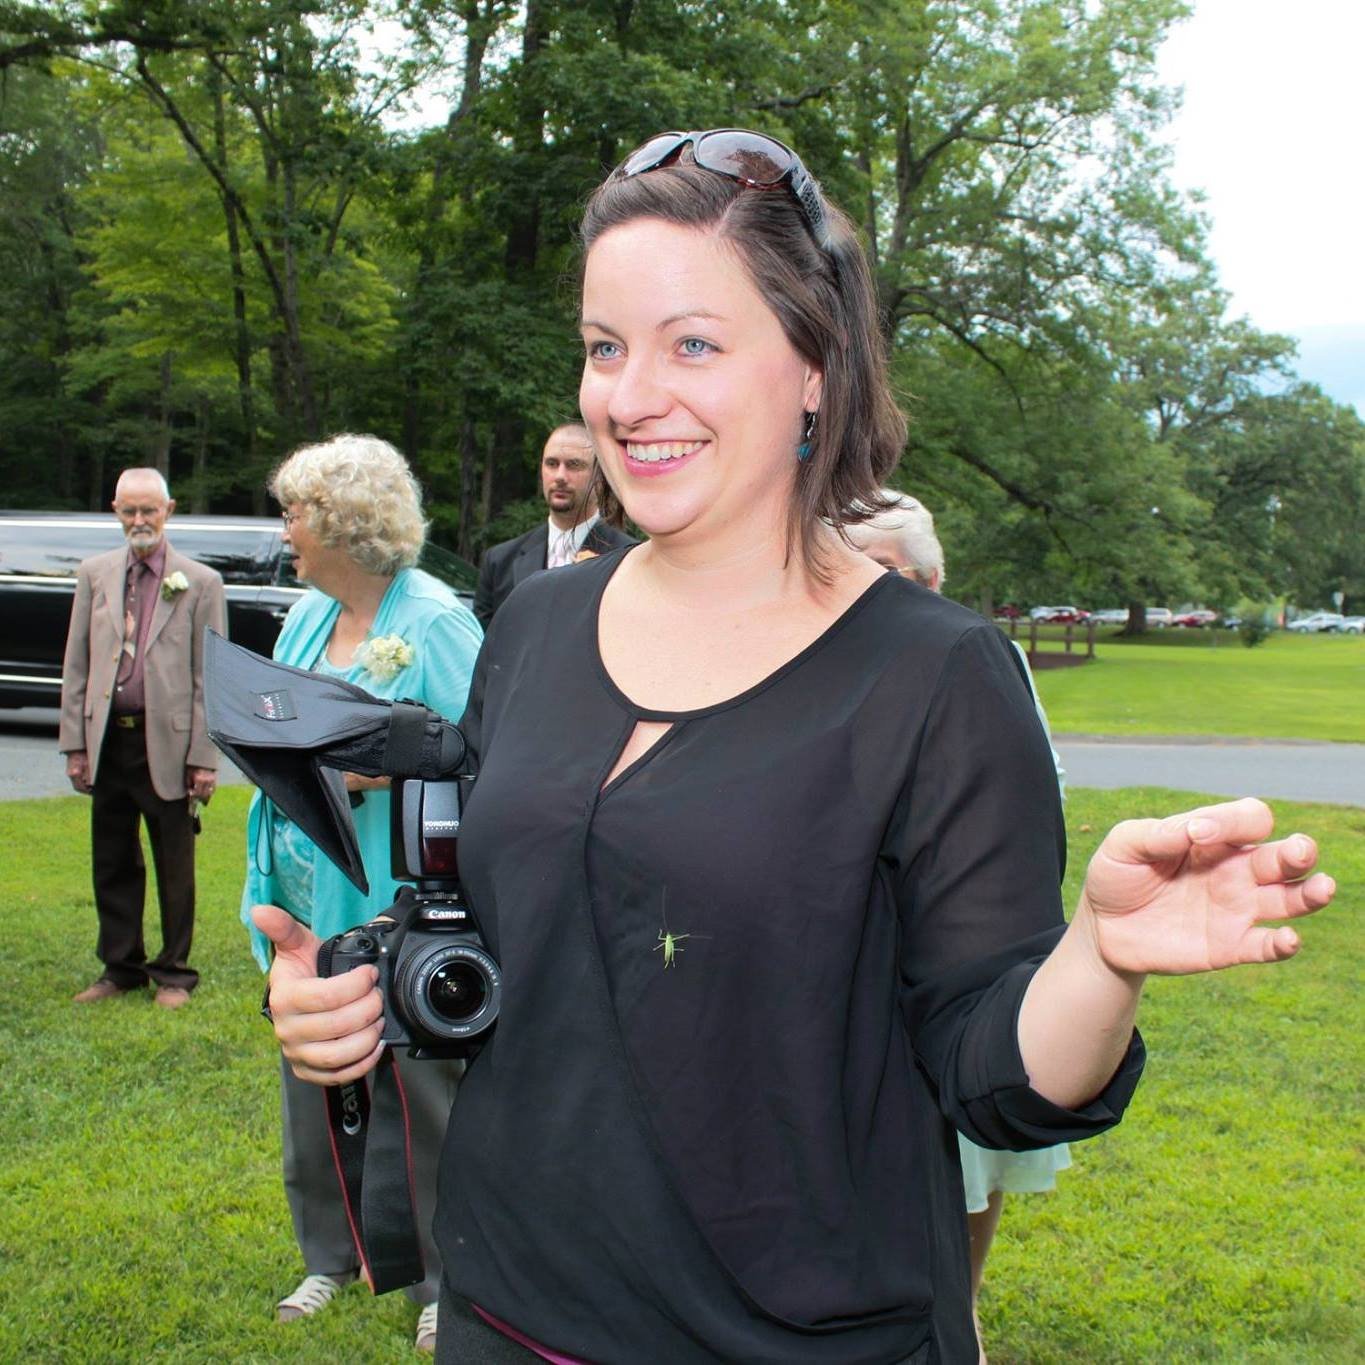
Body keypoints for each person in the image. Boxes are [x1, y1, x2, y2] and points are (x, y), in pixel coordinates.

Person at [253, 131, 1335, 1364]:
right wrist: (359, 988)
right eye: (606, 347)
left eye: (693, 344)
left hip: (804, 1334)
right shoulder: (537, 626)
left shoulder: (934, 677)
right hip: (509, 1310)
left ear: (815, 366)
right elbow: (510, 931)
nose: (629, 395)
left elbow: (994, 1072)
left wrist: (1101, 958)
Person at [237, 434, 483, 1353]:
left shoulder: (433, 619)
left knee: (420, 1088)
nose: (285, 531)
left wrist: (380, 769)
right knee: (312, 1070)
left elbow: (487, 747)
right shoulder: (307, 613)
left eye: (294, 512)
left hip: (397, 894)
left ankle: (439, 1273)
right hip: (303, 881)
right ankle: (328, 1255)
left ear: (342, 520)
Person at [847, 492, 1072, 1360]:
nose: (867, 587)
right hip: (850, 950)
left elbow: (1030, 790)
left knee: (972, 1148)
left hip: (948, 936)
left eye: (886, 570)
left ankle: (960, 1303)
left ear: (932, 579)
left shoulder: (978, 659)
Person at [59, 467, 226, 1009]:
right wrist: (75, 745)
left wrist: (204, 757)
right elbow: (78, 663)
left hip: (170, 748)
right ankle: (120, 966)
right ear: (114, 510)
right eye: (128, 511)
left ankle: (175, 973)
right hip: (109, 741)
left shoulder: (201, 583)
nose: (138, 521)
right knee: (111, 860)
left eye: (148, 510)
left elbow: (210, 678)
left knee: (174, 865)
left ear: (168, 510)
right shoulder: (93, 573)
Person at [472, 422, 635, 627]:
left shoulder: (628, 558)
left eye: (574, 465)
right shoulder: (499, 562)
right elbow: (485, 648)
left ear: (600, 476)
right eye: (551, 463)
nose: (560, 476)